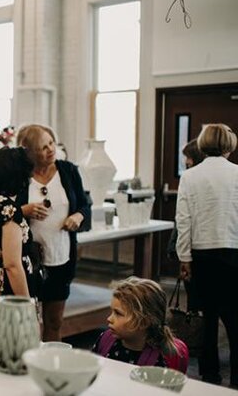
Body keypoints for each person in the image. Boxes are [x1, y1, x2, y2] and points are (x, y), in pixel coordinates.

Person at [176, 123, 238, 386]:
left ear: (202, 144)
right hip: (234, 252)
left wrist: (184, 257)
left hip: (202, 255)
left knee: (207, 318)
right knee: (235, 320)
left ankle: (209, 375)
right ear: (229, 144)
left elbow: (183, 219)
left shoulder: (190, 176)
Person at [16, 124, 91, 341]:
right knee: (28, 322)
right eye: (43, 147)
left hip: (61, 256)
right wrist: (25, 210)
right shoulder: (20, 177)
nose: (51, 149)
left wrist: (78, 216)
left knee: (54, 321)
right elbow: (5, 211)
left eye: (51, 143)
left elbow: (84, 206)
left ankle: (49, 363)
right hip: (29, 260)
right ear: (28, 151)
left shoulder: (68, 171)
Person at [0, 147, 40, 323]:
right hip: (7, 291)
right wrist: (27, 306)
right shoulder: (9, 210)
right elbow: (12, 264)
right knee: (14, 344)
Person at [93, 277, 189, 373]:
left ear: (144, 322)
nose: (109, 319)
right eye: (112, 311)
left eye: (118, 313)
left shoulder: (158, 362)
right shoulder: (105, 339)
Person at [166, 139, 206, 312]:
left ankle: (197, 336)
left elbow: (183, 220)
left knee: (196, 301)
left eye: (188, 157)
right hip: (194, 248)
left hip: (195, 248)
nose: (185, 161)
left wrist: (179, 252)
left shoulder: (191, 179)